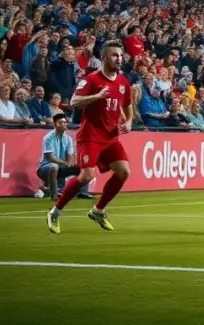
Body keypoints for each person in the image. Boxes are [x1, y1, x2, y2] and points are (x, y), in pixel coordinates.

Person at [46, 40, 133, 234]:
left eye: (120, 55)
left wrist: (129, 121)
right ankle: (55, 211)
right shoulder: (92, 79)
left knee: (124, 172)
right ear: (103, 58)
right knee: (87, 175)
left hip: (111, 137)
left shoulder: (123, 81)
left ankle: (98, 210)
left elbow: (127, 104)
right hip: (90, 136)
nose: (119, 58)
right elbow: (74, 102)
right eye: (114, 55)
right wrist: (97, 96)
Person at [38, 114, 79, 199]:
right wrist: (65, 163)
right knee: (54, 166)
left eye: (65, 122)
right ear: (55, 124)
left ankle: (81, 193)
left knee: (81, 167)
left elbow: (70, 155)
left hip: (61, 167)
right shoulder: (48, 137)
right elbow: (50, 157)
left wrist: (71, 162)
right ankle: (54, 194)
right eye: (60, 122)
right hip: (45, 168)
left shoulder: (68, 139)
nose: (64, 124)